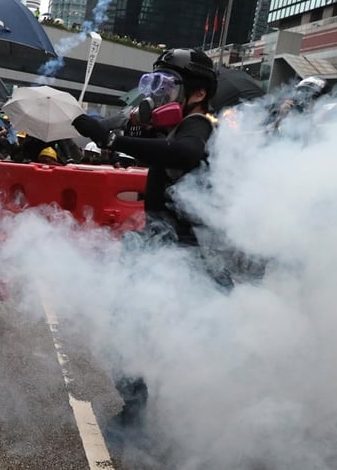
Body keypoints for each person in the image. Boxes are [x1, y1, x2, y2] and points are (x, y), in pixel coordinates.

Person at [72, 47, 221, 430]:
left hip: (187, 250)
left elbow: (186, 153)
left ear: (198, 93)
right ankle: (137, 409)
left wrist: (114, 140)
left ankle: (174, 416)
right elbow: (125, 128)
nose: (157, 92)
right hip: (158, 240)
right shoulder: (167, 125)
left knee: (150, 331)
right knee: (126, 329)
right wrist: (98, 126)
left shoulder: (198, 124)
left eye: (168, 84)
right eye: (152, 83)